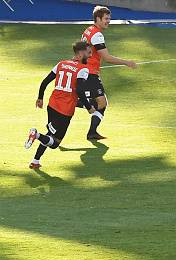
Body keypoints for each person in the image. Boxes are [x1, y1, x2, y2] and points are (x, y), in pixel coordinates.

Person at [25, 42, 96, 169]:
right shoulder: (83, 70)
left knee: (50, 134)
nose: (90, 56)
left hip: (51, 106)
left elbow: (45, 81)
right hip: (64, 111)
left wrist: (40, 97)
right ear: (80, 54)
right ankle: (36, 135)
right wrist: (89, 107)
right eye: (88, 53)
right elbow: (79, 91)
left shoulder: (61, 64)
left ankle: (35, 160)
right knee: (55, 143)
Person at [81, 5, 137, 140]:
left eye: (109, 18)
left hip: (86, 71)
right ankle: (76, 103)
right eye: (106, 18)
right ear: (98, 18)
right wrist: (126, 62)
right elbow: (106, 58)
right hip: (90, 73)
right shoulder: (97, 35)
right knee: (101, 103)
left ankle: (92, 132)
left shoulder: (88, 30)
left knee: (101, 103)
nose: (108, 21)